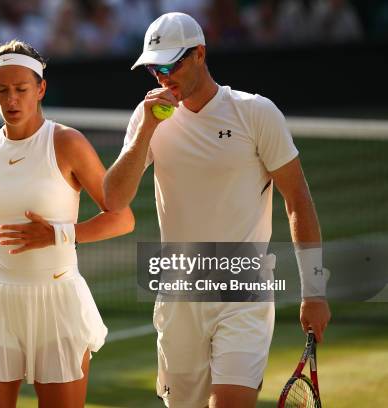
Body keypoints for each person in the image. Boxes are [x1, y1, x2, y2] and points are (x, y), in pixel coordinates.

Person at [103, 12, 331, 408]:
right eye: (154, 68)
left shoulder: (256, 112)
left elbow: (297, 199)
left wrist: (314, 291)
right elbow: (114, 198)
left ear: (200, 55)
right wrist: (147, 130)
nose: (162, 75)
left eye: (171, 64)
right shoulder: (146, 117)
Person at [0, 39, 134, 408]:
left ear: (40, 89)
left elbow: (122, 218)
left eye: (21, 90)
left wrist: (58, 235)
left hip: (56, 301)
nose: (11, 100)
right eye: (2, 90)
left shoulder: (68, 142)